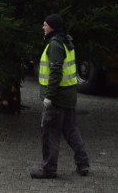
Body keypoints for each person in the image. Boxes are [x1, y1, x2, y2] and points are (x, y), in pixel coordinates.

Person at [31, 13, 90, 179]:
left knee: (50, 133)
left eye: (45, 24)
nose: (43, 27)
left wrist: (48, 96)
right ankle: (83, 164)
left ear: (52, 27)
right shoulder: (66, 42)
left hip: (57, 98)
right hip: (69, 95)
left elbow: (56, 71)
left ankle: (49, 169)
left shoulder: (55, 44)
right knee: (71, 130)